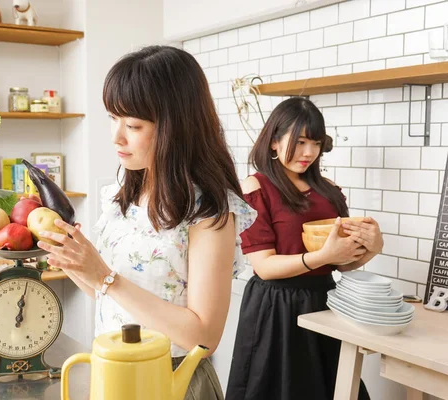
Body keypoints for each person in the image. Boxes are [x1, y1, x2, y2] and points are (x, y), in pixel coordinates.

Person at [37, 45, 256, 399]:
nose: (116, 136)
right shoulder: (122, 194)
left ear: (176, 127)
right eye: (113, 118)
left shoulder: (209, 211)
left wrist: (105, 276)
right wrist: (77, 263)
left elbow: (203, 337)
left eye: (133, 125)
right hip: (113, 372)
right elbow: (105, 295)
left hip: (169, 380)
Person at [225, 97, 383, 400]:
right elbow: (264, 267)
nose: (309, 152)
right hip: (275, 308)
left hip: (326, 301)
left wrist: (372, 248)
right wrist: (323, 256)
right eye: (299, 142)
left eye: (315, 142)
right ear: (273, 141)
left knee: (333, 387)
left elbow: (341, 262)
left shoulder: (329, 191)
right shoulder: (255, 188)